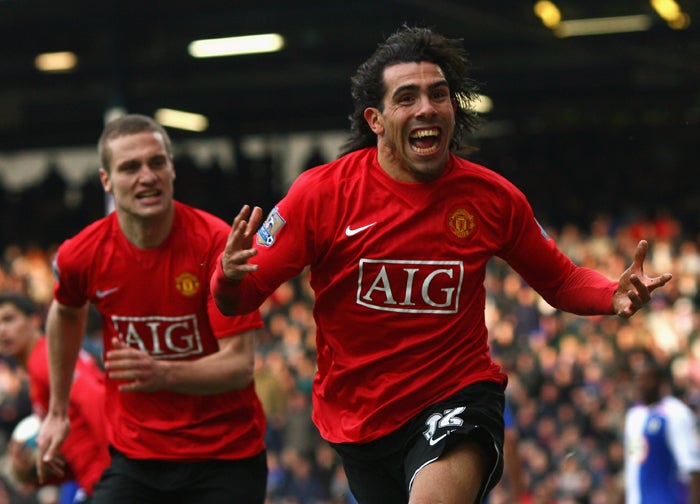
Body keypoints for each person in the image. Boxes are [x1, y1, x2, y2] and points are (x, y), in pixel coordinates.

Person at [210, 25, 672, 504]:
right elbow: (239, 299)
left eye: (438, 95)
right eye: (406, 97)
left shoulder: (492, 199)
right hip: (360, 421)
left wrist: (608, 293)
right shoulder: (321, 195)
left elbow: (560, 279)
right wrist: (228, 276)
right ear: (377, 119)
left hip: (459, 397)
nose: (426, 108)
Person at [38, 114, 268, 503]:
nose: (147, 176)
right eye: (130, 167)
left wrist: (161, 372)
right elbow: (64, 311)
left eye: (156, 162)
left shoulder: (214, 245)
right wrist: (57, 412)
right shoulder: (83, 252)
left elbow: (239, 365)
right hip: (135, 456)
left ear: (172, 169)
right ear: (106, 181)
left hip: (225, 455)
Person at [0, 291, 110, 502]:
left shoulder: (46, 358)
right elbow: (77, 452)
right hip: (97, 481)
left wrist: (121, 475)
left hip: (107, 482)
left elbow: (96, 400)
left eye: (9, 319)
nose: (2, 330)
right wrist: (33, 475)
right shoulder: (39, 367)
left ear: (35, 320)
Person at [621, 356, 700, 504]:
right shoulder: (634, 417)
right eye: (637, 379)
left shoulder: (676, 413)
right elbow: (634, 463)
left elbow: (692, 467)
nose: (640, 384)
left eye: (646, 379)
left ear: (661, 382)